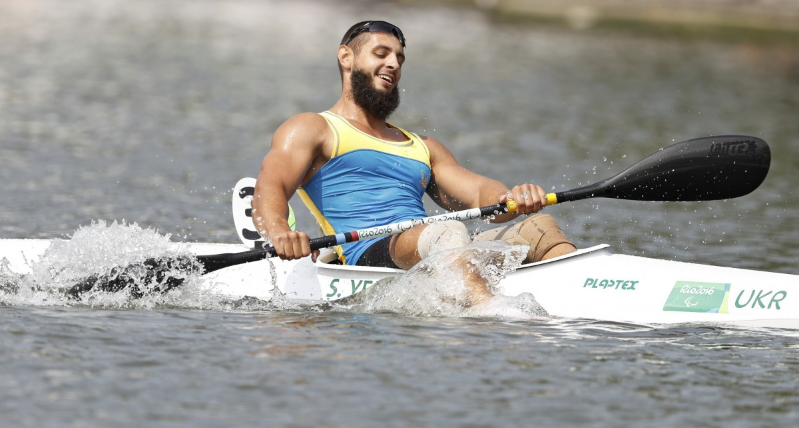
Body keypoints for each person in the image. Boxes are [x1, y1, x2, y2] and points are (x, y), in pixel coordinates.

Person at [253, 21, 576, 303]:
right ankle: (490, 309)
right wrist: (280, 232)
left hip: (429, 247)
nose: (393, 63)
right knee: (445, 231)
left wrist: (509, 199)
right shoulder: (313, 128)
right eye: (381, 54)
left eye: (399, 58)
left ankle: (580, 295)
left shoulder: (424, 146)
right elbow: (272, 186)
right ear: (346, 57)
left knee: (539, 227)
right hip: (366, 254)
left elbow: (478, 192)